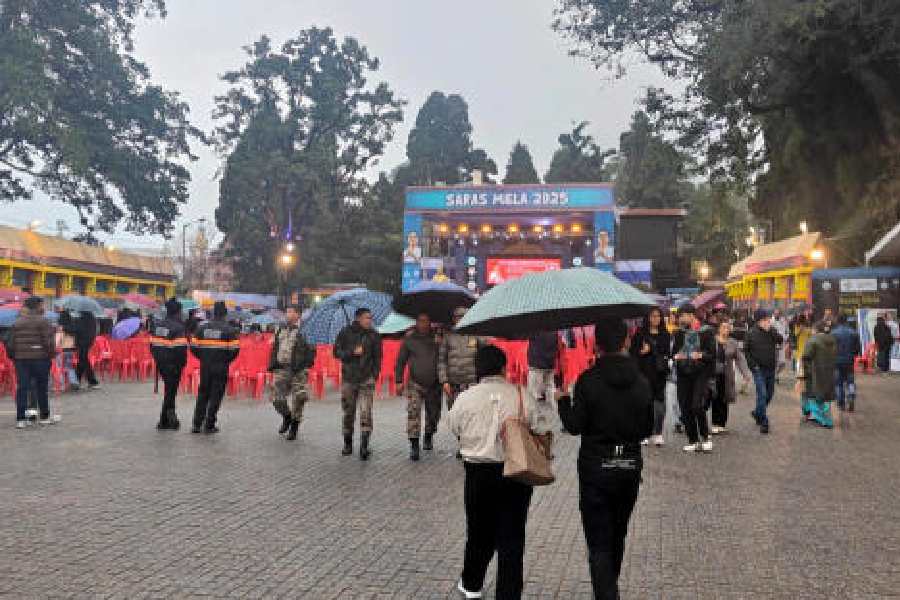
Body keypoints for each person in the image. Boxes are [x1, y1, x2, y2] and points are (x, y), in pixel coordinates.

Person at [558, 317, 653, 600]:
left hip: (596, 469)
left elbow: (575, 425)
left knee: (598, 541)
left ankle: (606, 592)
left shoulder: (589, 380)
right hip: (628, 468)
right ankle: (609, 585)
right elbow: (647, 428)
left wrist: (563, 400)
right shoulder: (642, 382)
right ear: (625, 341)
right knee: (617, 534)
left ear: (597, 344)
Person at [447, 345, 540, 600]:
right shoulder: (521, 395)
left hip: (478, 474)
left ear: (478, 369)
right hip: (516, 472)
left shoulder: (465, 398)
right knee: (512, 538)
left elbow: (454, 427)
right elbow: (540, 426)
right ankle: (508, 594)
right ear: (503, 367)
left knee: (478, 531)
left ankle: (472, 585)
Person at [334, 307, 381, 460]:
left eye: (370, 318)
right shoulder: (345, 332)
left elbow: (378, 357)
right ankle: (347, 443)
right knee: (349, 412)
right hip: (349, 379)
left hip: (366, 379)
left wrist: (374, 375)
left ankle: (364, 446)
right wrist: (352, 352)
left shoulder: (374, 335)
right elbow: (336, 352)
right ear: (358, 318)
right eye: (367, 318)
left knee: (366, 412)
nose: (369, 320)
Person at [439, 306, 487, 458]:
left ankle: (468, 445)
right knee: (455, 415)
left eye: (462, 317)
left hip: (472, 383)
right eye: (457, 317)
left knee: (472, 415)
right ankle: (461, 441)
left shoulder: (475, 335)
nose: (459, 319)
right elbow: (441, 361)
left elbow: (487, 351)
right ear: (453, 319)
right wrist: (444, 380)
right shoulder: (447, 337)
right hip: (453, 383)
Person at [394, 313, 440, 461]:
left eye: (426, 321)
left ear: (430, 322)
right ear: (416, 322)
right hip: (415, 383)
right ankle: (414, 445)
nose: (423, 324)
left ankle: (428, 435)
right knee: (413, 414)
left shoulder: (438, 337)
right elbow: (401, 361)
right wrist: (399, 380)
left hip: (434, 383)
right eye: (420, 321)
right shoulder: (409, 339)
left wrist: (440, 342)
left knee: (433, 415)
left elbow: (446, 356)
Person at [189, 301, 240, 434]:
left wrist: (204, 358)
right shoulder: (230, 330)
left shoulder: (201, 328)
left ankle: (196, 424)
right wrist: (224, 361)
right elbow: (234, 351)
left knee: (202, 394)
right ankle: (209, 424)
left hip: (205, 366)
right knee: (216, 395)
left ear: (213, 313)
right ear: (225, 314)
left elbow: (193, 347)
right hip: (221, 367)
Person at [267, 304, 316, 441]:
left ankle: (294, 425)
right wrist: (273, 364)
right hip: (282, 368)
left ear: (298, 314)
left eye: (290, 312)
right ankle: (287, 417)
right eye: (287, 312)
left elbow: (312, 351)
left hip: (298, 370)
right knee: (276, 399)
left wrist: (305, 365)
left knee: (299, 398)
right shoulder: (280, 328)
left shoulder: (306, 330)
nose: (287, 314)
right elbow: (275, 347)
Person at [672, 305, 716, 452]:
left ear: (690, 315)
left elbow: (712, 354)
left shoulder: (706, 331)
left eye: (681, 316)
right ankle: (693, 440)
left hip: (700, 373)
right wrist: (677, 357)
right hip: (683, 372)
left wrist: (701, 355)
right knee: (684, 407)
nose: (679, 319)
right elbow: (674, 353)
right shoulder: (679, 333)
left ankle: (705, 436)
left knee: (696, 405)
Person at [8, 297, 57, 429]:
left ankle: (21, 419)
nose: (44, 307)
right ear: (37, 306)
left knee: (23, 388)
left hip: (21, 360)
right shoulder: (44, 321)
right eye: (42, 305)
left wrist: (14, 357)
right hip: (40, 359)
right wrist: (51, 355)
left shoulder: (17, 322)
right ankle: (44, 417)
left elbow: (11, 344)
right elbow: (49, 342)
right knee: (41, 388)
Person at [630, 307, 671, 446]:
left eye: (658, 316)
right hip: (643, 374)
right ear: (647, 317)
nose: (656, 319)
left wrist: (651, 349)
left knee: (660, 405)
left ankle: (658, 432)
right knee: (645, 404)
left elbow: (666, 352)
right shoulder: (640, 333)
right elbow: (632, 352)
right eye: (653, 316)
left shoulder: (665, 334)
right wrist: (641, 352)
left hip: (659, 373)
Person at [149, 298, 188, 430]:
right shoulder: (178, 328)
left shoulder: (158, 326)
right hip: (173, 365)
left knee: (169, 391)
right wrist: (181, 365)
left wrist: (159, 359)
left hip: (161, 364)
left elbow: (152, 346)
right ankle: (168, 419)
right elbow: (181, 350)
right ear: (177, 312)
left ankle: (164, 420)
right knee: (171, 392)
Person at [709, 319, 752, 434]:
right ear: (719, 329)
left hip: (727, 375)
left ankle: (722, 424)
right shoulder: (712, 341)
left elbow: (740, 359)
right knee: (715, 398)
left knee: (725, 398)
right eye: (723, 327)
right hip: (713, 374)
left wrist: (745, 374)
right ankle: (714, 423)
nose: (726, 330)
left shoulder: (732, 342)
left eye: (728, 328)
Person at [744, 309, 783, 434]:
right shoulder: (751, 333)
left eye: (768, 319)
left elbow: (780, 340)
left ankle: (757, 413)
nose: (767, 321)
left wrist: (771, 330)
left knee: (770, 393)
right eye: (765, 319)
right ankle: (764, 421)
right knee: (762, 394)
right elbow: (746, 351)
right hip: (758, 369)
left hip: (770, 368)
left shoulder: (771, 331)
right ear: (758, 321)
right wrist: (753, 366)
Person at [525, 329, 563, 439]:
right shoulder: (553, 330)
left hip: (536, 365)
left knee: (532, 395)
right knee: (550, 390)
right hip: (550, 363)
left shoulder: (536, 329)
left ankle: (533, 423)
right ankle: (558, 415)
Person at [800, 320, 837, 427]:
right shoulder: (832, 340)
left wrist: (804, 373)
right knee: (825, 396)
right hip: (829, 372)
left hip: (815, 372)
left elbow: (806, 357)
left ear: (815, 329)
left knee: (812, 393)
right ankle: (826, 418)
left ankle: (819, 417)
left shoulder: (813, 341)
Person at [832, 314, 861, 411]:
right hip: (849, 360)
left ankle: (841, 403)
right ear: (846, 321)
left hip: (836, 361)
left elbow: (830, 348)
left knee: (838, 382)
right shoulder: (854, 332)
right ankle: (851, 394)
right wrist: (854, 355)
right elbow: (857, 348)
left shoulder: (833, 333)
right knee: (850, 380)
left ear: (838, 321)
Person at [74, 309, 100, 390]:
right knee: (82, 360)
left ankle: (92, 381)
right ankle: (77, 380)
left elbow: (77, 329)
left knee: (83, 360)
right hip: (88, 341)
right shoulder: (92, 317)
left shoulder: (82, 318)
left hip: (82, 342)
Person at [56, 309, 80, 391]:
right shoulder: (73, 327)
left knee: (59, 367)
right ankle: (74, 382)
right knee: (69, 367)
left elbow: (57, 341)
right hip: (71, 351)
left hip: (62, 351)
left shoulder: (61, 328)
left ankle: (61, 385)